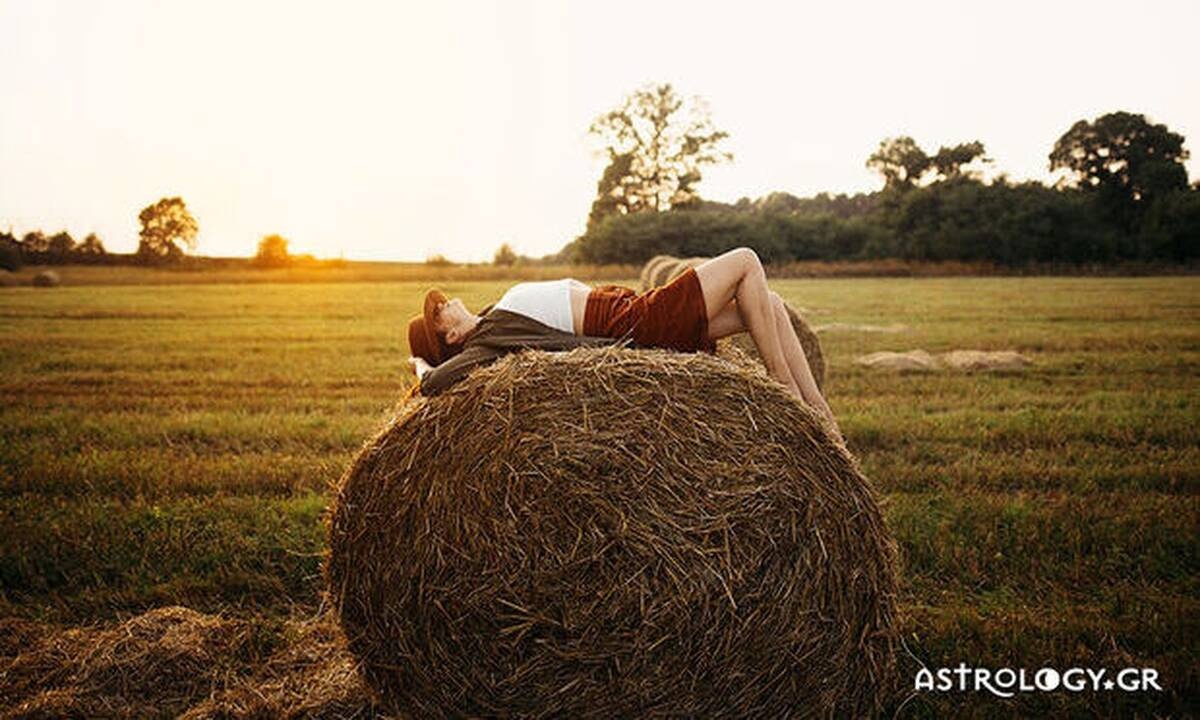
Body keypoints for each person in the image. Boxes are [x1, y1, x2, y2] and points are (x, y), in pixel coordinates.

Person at [407, 247, 839, 436]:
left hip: (633, 313)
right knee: (746, 260)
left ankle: (819, 415)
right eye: (438, 312)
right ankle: (783, 385)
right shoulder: (489, 336)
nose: (443, 302)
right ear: (451, 335)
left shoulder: (493, 314)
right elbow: (434, 383)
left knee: (771, 303)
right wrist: (420, 365)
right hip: (638, 323)